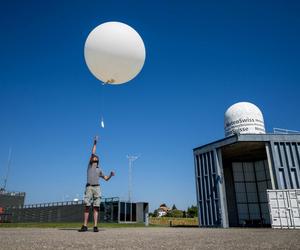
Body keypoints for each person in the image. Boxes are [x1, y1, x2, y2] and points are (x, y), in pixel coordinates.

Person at [79, 136, 115, 232]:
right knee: (87, 206)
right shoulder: (89, 166)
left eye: (95, 157)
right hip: (89, 187)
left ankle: (95, 226)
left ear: (97, 160)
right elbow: (93, 152)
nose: (94, 157)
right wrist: (95, 143)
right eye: (93, 157)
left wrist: (110, 175)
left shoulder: (99, 170)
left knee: (96, 207)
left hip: (97, 188)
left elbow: (106, 179)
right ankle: (85, 226)